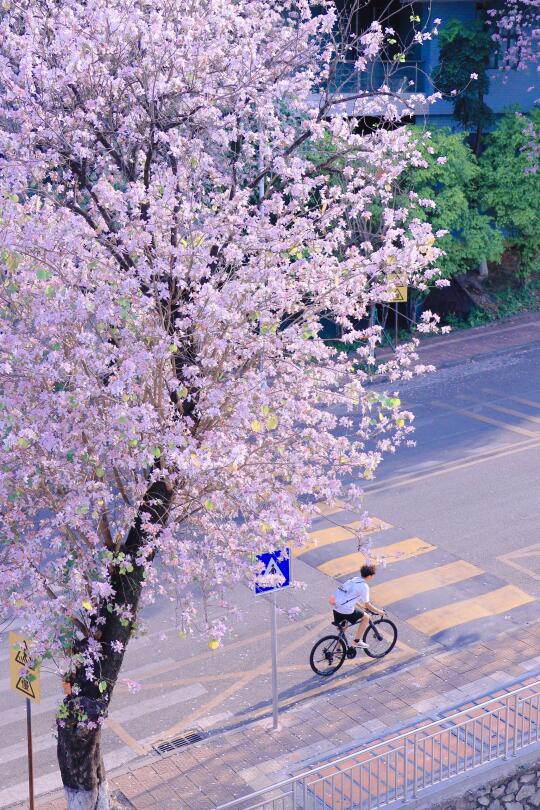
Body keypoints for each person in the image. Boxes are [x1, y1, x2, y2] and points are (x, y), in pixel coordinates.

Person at [328, 563, 384, 647]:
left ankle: (338, 650)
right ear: (369, 576)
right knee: (366, 617)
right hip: (346, 610)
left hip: (336, 607)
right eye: (372, 575)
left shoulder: (353, 579)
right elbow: (368, 604)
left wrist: (361, 606)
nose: (373, 577)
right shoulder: (364, 586)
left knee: (344, 627)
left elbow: (349, 596)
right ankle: (357, 641)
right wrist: (379, 611)